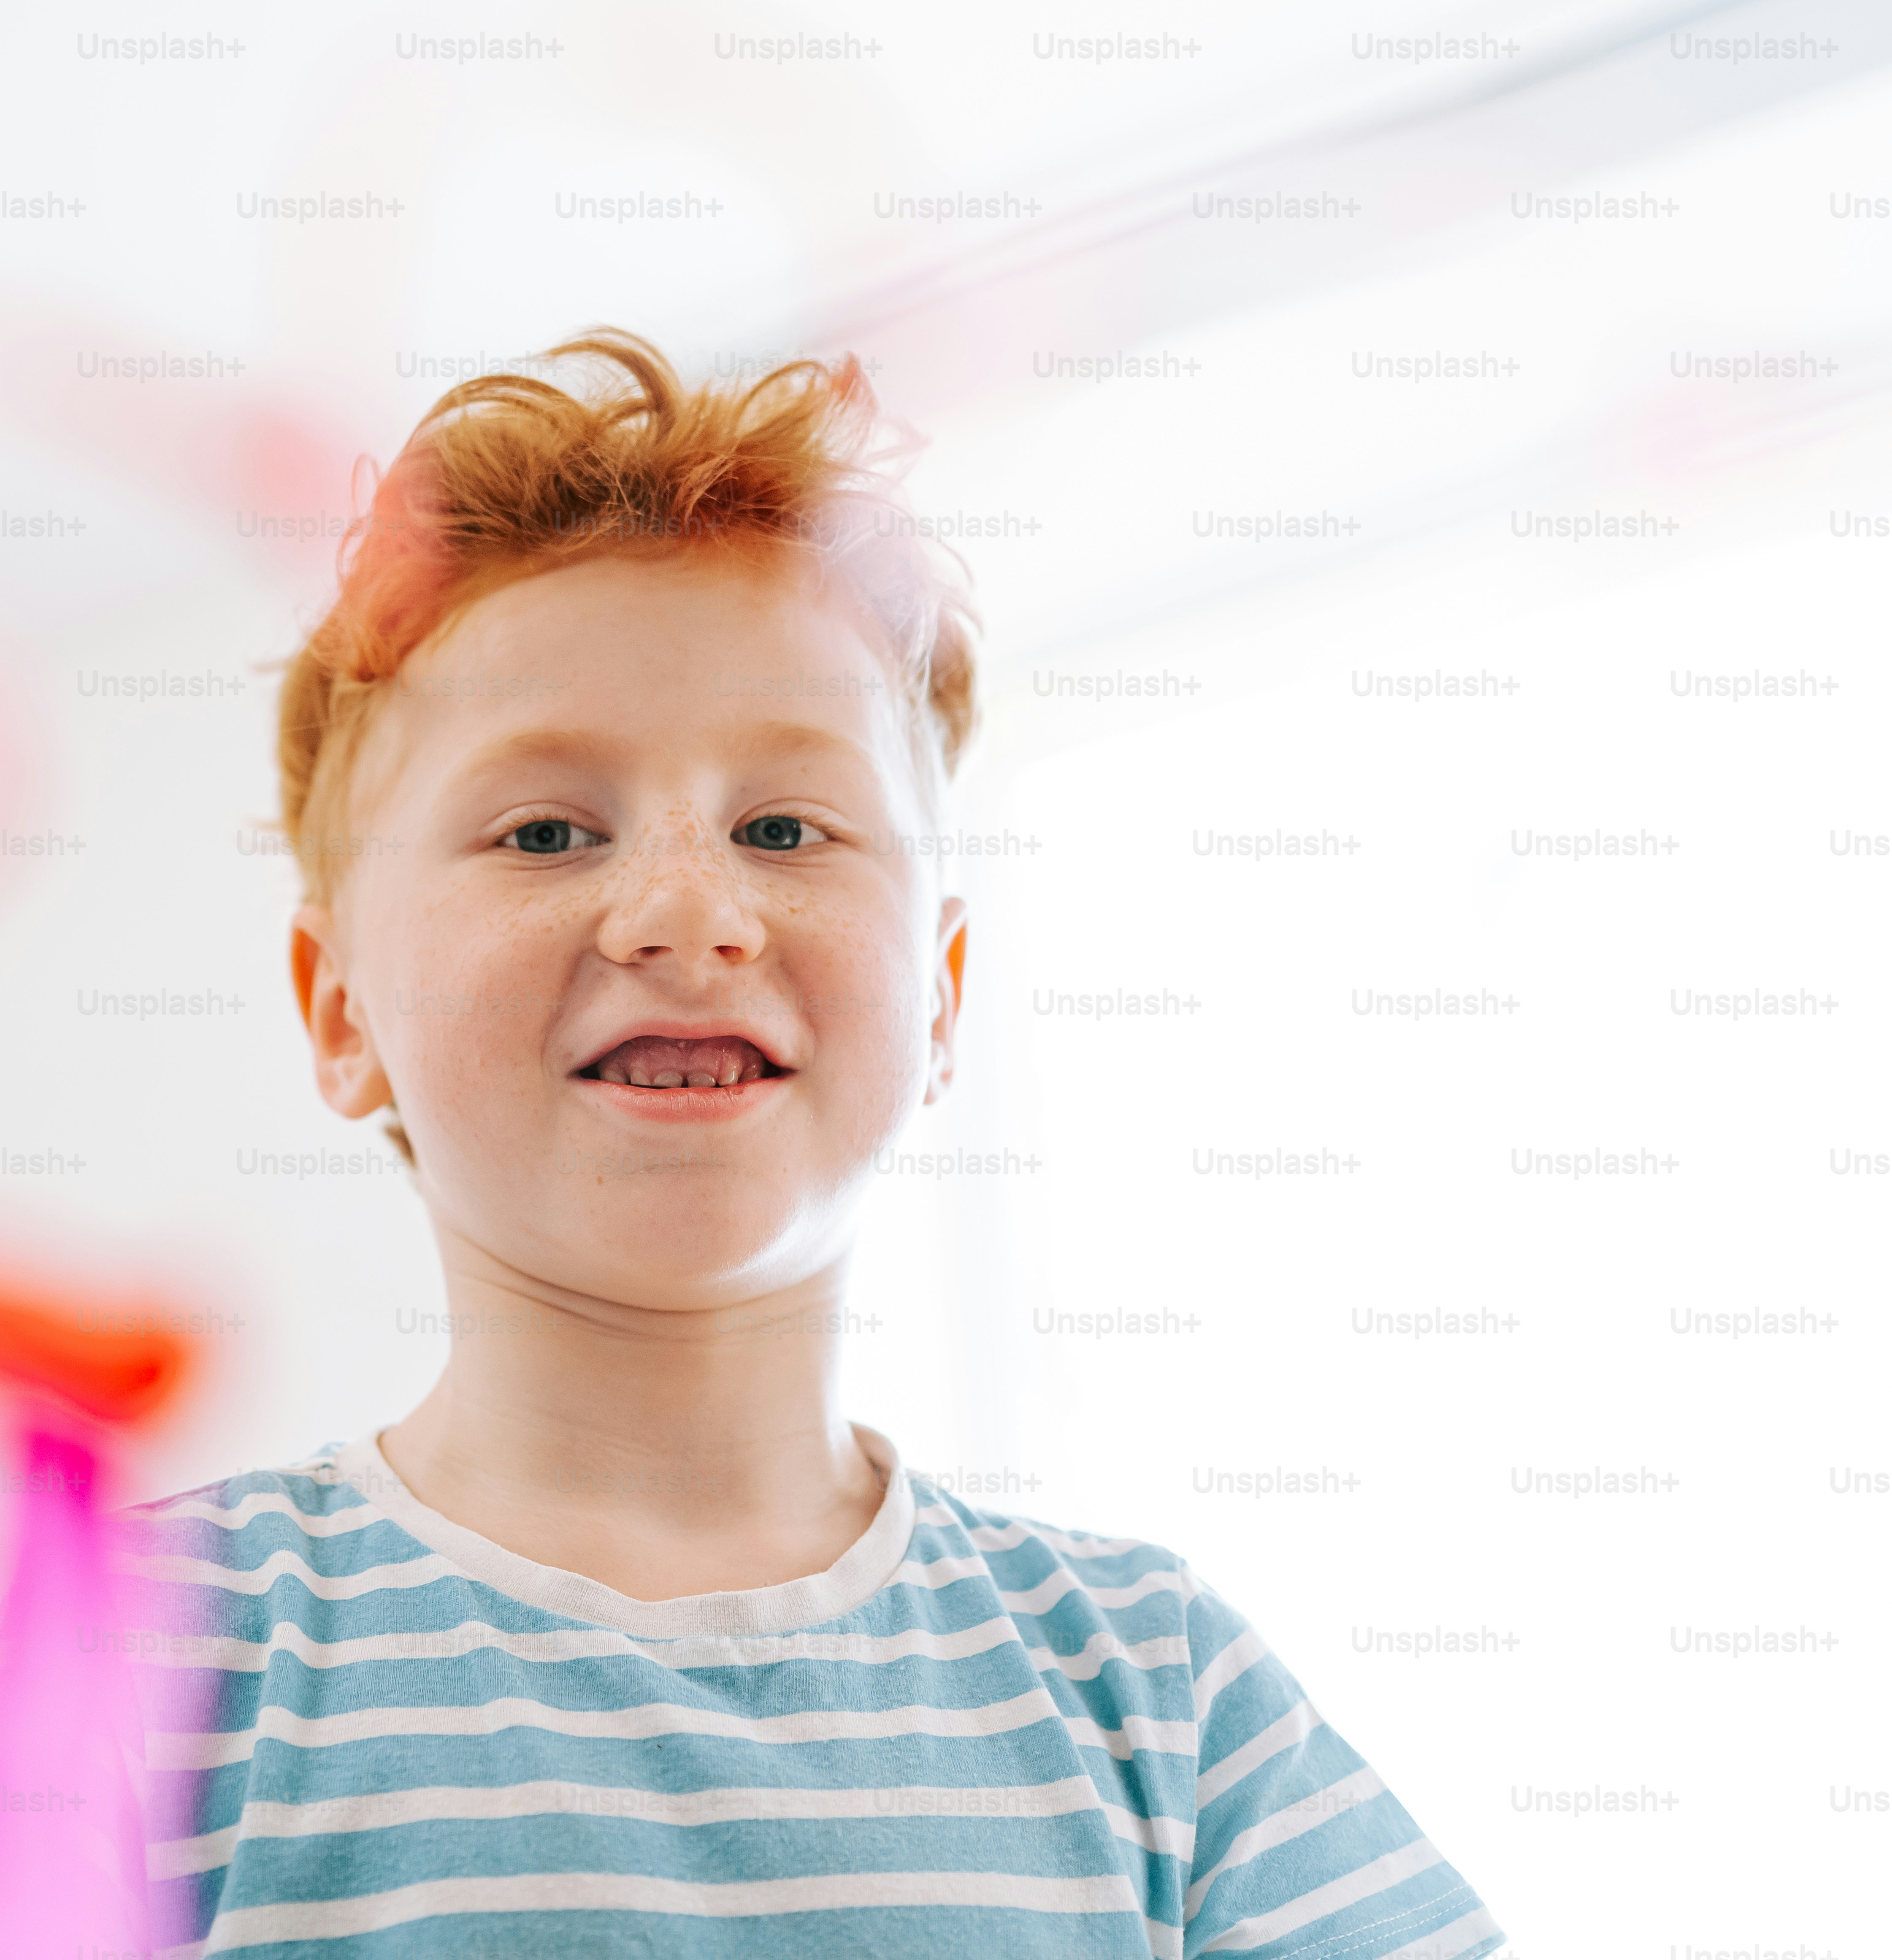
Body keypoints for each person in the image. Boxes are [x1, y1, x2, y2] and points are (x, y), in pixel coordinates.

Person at [119, 332, 1501, 1956]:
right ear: (342, 1011)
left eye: (785, 828)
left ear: (940, 1000)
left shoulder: (1159, 1688)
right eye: (546, 831)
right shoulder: (156, 1652)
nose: (689, 918)